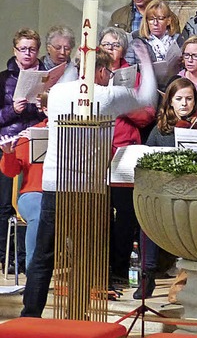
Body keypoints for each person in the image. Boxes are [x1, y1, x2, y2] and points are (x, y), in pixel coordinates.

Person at [22, 45, 157, 318]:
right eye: (108, 72)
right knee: (85, 256)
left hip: (54, 186)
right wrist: (145, 60)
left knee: (44, 256)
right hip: (89, 189)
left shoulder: (58, 92)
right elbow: (148, 97)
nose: (110, 77)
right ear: (100, 71)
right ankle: (79, 315)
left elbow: (68, 75)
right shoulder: (107, 96)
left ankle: (30, 315)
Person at [135, 77, 197, 299]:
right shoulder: (160, 131)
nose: (184, 104)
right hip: (166, 193)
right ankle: (147, 276)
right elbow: (148, 162)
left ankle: (188, 278)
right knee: (147, 220)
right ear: (170, 102)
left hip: (194, 194)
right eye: (179, 99)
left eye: (189, 99)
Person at [99, 27, 156, 288]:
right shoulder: (90, 74)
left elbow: (146, 115)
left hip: (123, 152)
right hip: (95, 153)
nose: (110, 49)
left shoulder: (131, 76)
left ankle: (120, 270)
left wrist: (116, 105)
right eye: (106, 44)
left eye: (115, 45)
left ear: (123, 50)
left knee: (125, 215)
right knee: (98, 215)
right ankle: (98, 270)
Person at [0, 28, 47, 273]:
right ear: (15, 51)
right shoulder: (3, 79)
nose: (28, 53)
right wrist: (13, 111)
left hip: (39, 140)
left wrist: (43, 107)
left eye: (32, 49)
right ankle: (10, 258)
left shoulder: (47, 77)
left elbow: (54, 112)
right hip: (11, 141)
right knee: (6, 202)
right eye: (23, 49)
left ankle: (31, 259)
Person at [125, 0, 184, 87]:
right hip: (147, 88)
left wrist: (182, 62)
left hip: (174, 87)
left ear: (168, 21)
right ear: (146, 21)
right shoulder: (136, 44)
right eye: (151, 19)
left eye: (160, 19)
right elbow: (128, 72)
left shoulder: (179, 40)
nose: (155, 23)